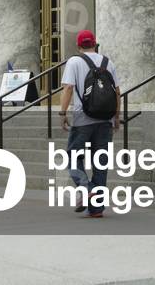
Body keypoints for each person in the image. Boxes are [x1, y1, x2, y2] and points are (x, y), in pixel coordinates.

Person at [60, 30, 120, 218]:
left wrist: (62, 112)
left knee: (73, 157)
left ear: (79, 46)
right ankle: (96, 209)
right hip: (105, 120)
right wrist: (116, 117)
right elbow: (117, 92)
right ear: (95, 44)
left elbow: (68, 88)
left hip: (82, 119)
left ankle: (87, 189)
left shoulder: (74, 62)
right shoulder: (108, 62)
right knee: (100, 163)